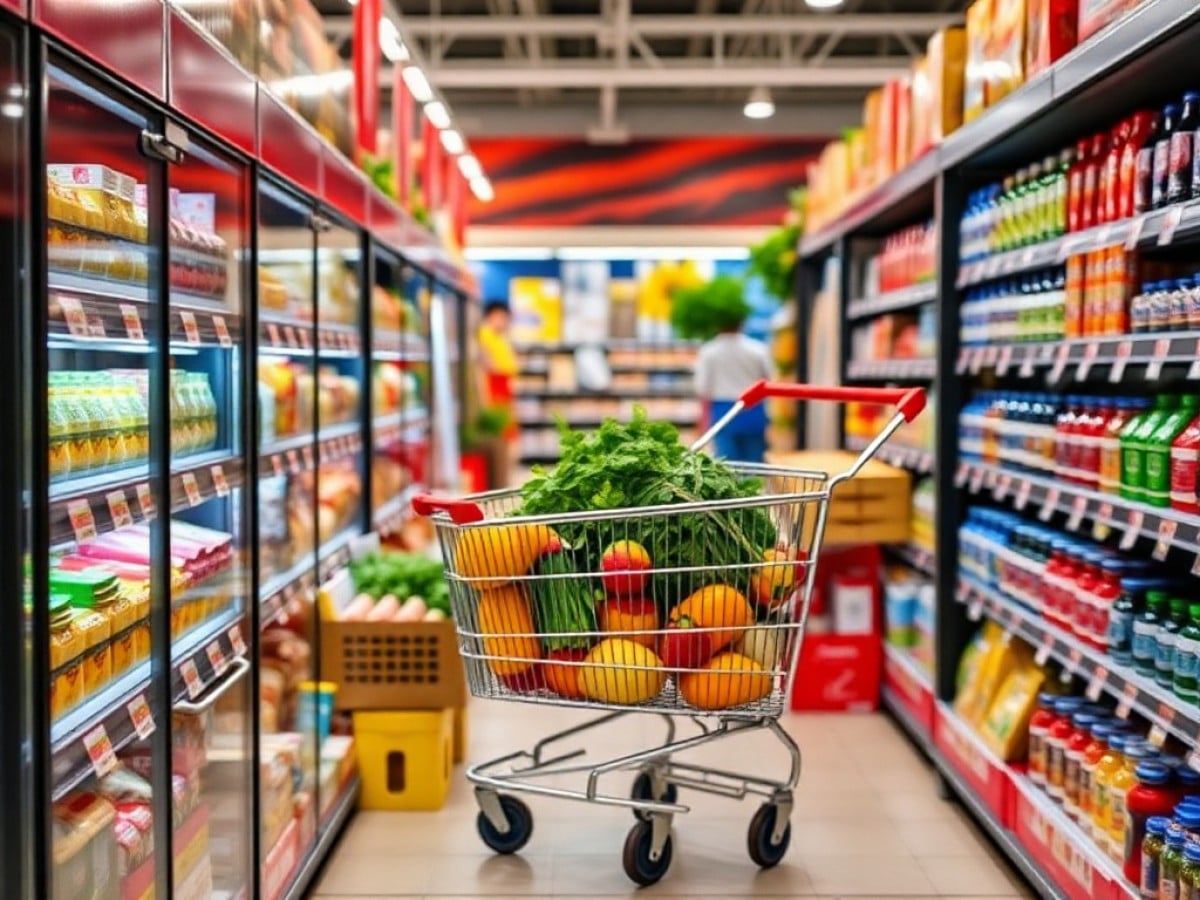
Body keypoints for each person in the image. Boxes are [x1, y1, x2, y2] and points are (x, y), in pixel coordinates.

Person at [695, 317, 774, 463]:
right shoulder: (758, 349)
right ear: (742, 323)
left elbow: (703, 388)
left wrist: (702, 420)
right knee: (755, 465)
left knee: (727, 466)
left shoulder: (709, 351)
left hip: (723, 412)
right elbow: (769, 380)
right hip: (753, 410)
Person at [476, 300, 519, 487]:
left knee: (507, 439)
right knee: (500, 439)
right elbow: (486, 367)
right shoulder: (484, 336)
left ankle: (504, 479)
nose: (504, 322)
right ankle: (500, 481)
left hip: (503, 392)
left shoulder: (500, 338)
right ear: (492, 315)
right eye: (501, 317)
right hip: (494, 392)